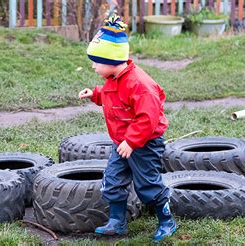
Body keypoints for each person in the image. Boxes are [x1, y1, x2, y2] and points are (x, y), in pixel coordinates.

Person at [78, 14, 177, 242]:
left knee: (147, 186)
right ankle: (117, 222)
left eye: (95, 62)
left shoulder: (139, 85)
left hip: (144, 144)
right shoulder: (114, 79)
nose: (93, 67)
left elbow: (148, 118)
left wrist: (132, 142)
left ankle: (167, 222)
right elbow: (114, 98)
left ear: (111, 61)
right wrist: (95, 94)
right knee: (111, 181)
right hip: (122, 143)